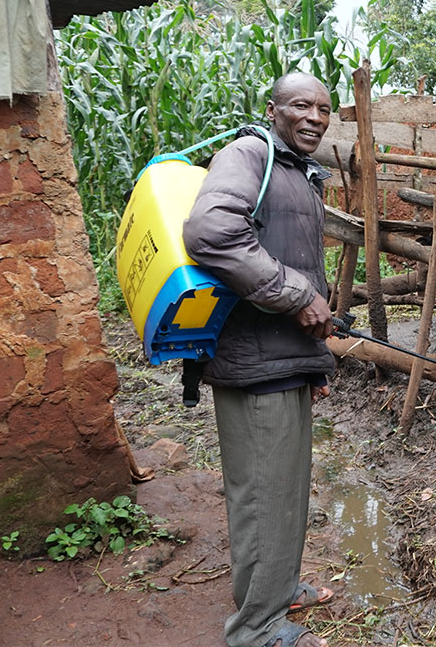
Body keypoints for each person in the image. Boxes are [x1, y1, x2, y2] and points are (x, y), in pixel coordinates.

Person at [183, 72, 337, 647]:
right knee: (264, 496)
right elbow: (211, 231)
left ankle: (277, 588)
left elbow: (291, 261)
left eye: (324, 108)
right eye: (301, 105)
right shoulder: (249, 154)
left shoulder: (297, 171)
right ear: (272, 110)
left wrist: (313, 363)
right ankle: (256, 628)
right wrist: (297, 296)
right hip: (254, 362)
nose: (315, 117)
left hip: (283, 358)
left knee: (286, 488)